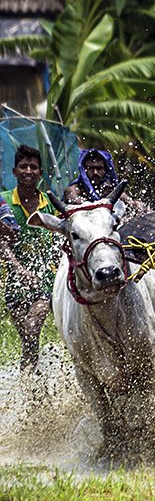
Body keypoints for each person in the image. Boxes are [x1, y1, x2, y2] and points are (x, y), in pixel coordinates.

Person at [0, 145, 59, 373]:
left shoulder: (50, 204)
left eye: (33, 167)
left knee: (33, 325)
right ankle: (33, 388)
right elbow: (2, 245)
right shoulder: (3, 202)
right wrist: (21, 271)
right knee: (28, 339)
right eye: (23, 166)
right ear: (14, 171)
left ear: (40, 174)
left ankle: (34, 381)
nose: (28, 170)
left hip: (45, 282)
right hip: (16, 286)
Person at [63, 149, 147, 216]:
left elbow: (132, 204)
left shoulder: (110, 191)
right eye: (90, 168)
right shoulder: (74, 190)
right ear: (84, 170)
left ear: (106, 170)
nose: (95, 172)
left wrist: (137, 206)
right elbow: (74, 199)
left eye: (99, 168)